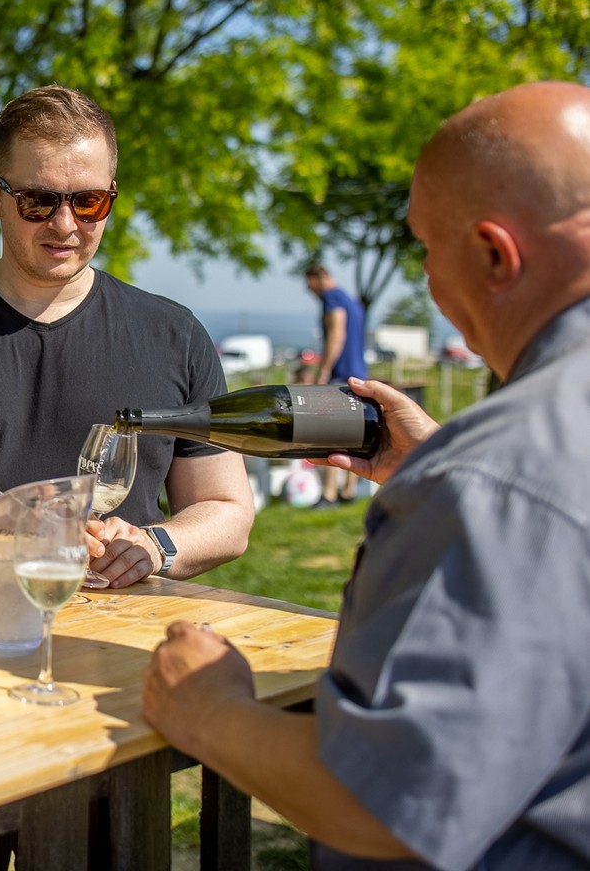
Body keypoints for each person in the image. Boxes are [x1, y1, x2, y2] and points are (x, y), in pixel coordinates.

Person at [143, 81, 590, 868]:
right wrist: (440, 469)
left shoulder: (499, 475)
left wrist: (207, 711)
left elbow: (390, 803)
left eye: (426, 245)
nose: (425, 276)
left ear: (493, 253)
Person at [0, 84, 255, 587]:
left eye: (89, 202)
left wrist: (155, 546)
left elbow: (226, 509)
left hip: (125, 636)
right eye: (38, 201)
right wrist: (11, 520)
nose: (65, 224)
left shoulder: (175, 334)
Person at [304, 261, 367, 504]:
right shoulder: (351, 300)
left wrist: (324, 372)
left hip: (340, 376)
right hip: (360, 373)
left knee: (330, 435)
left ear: (315, 279)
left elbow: (336, 334)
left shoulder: (331, 298)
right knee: (355, 435)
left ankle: (329, 494)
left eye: (310, 286)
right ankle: (348, 491)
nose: (311, 292)